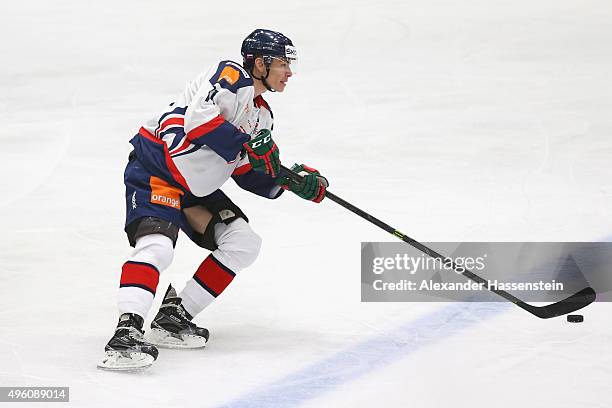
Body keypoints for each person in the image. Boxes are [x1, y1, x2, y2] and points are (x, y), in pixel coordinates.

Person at [98, 29, 329, 370]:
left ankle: (173, 318)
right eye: (283, 64)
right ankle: (125, 332)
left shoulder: (261, 115)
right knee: (158, 247)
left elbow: (246, 172)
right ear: (261, 63)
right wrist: (247, 144)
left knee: (243, 243)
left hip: (193, 189)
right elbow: (198, 122)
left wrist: (289, 181)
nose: (290, 73)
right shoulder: (231, 75)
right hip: (156, 173)